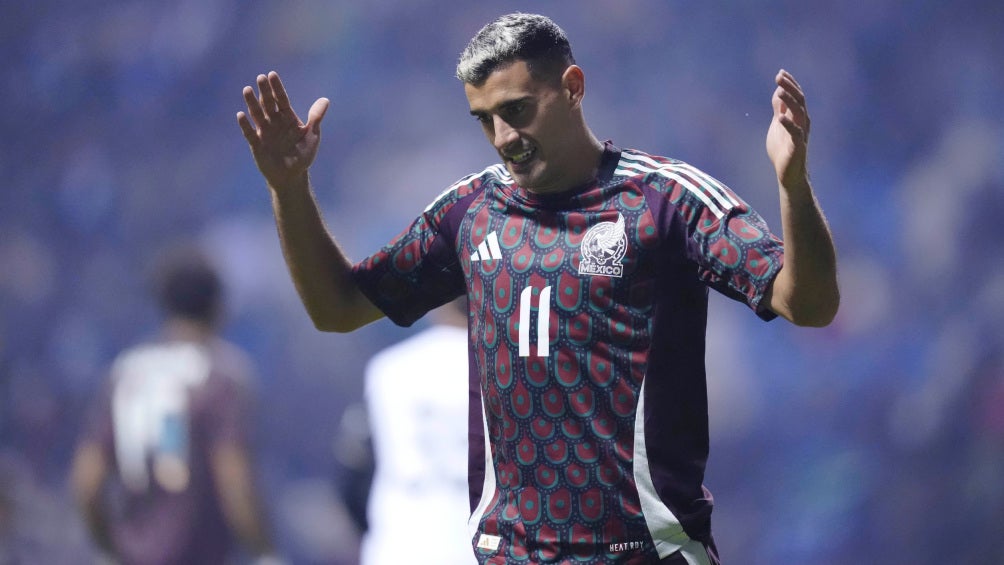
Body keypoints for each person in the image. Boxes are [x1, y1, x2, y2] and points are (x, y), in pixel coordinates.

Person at [236, 12, 838, 565]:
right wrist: (288, 188)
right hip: (511, 556)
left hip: (647, 554)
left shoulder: (667, 200)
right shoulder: (469, 212)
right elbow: (338, 309)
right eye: (484, 119)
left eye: (517, 110)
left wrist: (792, 184)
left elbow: (808, 304)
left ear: (572, 87)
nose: (503, 136)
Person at [70, 246, 280, 565]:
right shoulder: (222, 377)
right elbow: (233, 480)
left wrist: (109, 549)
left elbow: (87, 482)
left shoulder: (125, 373)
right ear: (218, 306)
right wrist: (265, 552)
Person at [356, 297, 476, 565]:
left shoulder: (389, 369)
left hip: (403, 547)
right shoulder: (519, 370)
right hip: (488, 550)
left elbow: (358, 473)